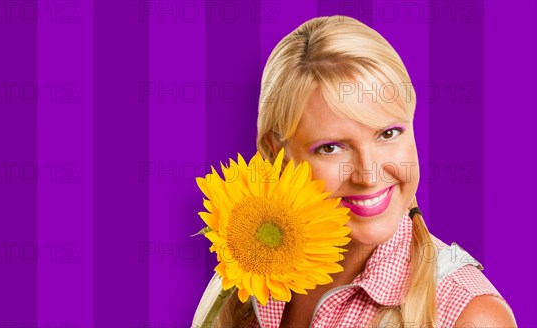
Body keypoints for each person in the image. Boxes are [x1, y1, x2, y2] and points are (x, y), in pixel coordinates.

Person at [194, 15, 516, 328]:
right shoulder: (243, 275)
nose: (369, 175)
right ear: (278, 152)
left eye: (388, 134)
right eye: (332, 147)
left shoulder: (467, 314)